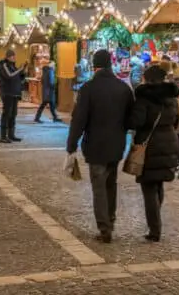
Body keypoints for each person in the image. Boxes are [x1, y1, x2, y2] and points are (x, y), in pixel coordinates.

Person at [66, 49, 135, 243]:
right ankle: (110, 220)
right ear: (110, 64)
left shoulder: (88, 88)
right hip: (116, 145)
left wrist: (72, 144)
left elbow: (79, 119)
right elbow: (131, 120)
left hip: (95, 145)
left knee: (99, 187)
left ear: (95, 66)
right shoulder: (123, 89)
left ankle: (105, 228)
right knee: (110, 184)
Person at [128, 64, 179, 242]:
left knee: (149, 187)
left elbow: (137, 121)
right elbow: (176, 120)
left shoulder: (144, 98)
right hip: (170, 141)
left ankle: (155, 230)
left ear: (147, 79)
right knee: (159, 184)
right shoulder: (172, 97)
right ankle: (156, 222)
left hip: (150, 145)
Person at [0, 50, 27, 143]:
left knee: (13, 114)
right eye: (12, 56)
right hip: (7, 92)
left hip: (15, 93)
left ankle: (11, 134)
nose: (14, 57)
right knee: (6, 114)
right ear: (7, 57)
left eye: (14, 56)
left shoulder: (13, 66)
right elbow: (9, 76)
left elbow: (19, 77)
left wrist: (23, 71)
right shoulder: (4, 65)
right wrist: (19, 70)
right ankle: (3, 136)